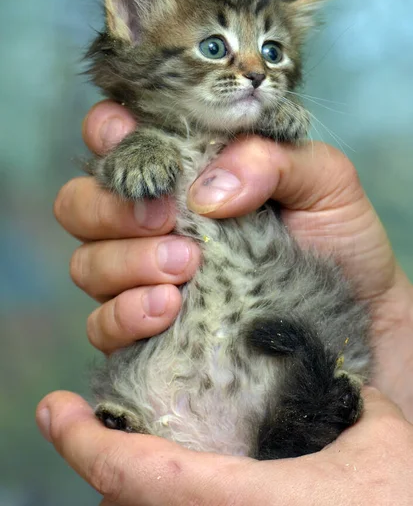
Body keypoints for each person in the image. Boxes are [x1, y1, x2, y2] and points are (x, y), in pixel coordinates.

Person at [36, 100, 413, 505]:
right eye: (213, 48)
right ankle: (156, 424)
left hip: (276, 377)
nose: (252, 72)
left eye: (272, 53)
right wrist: (390, 319)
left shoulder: (251, 142)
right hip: (210, 387)